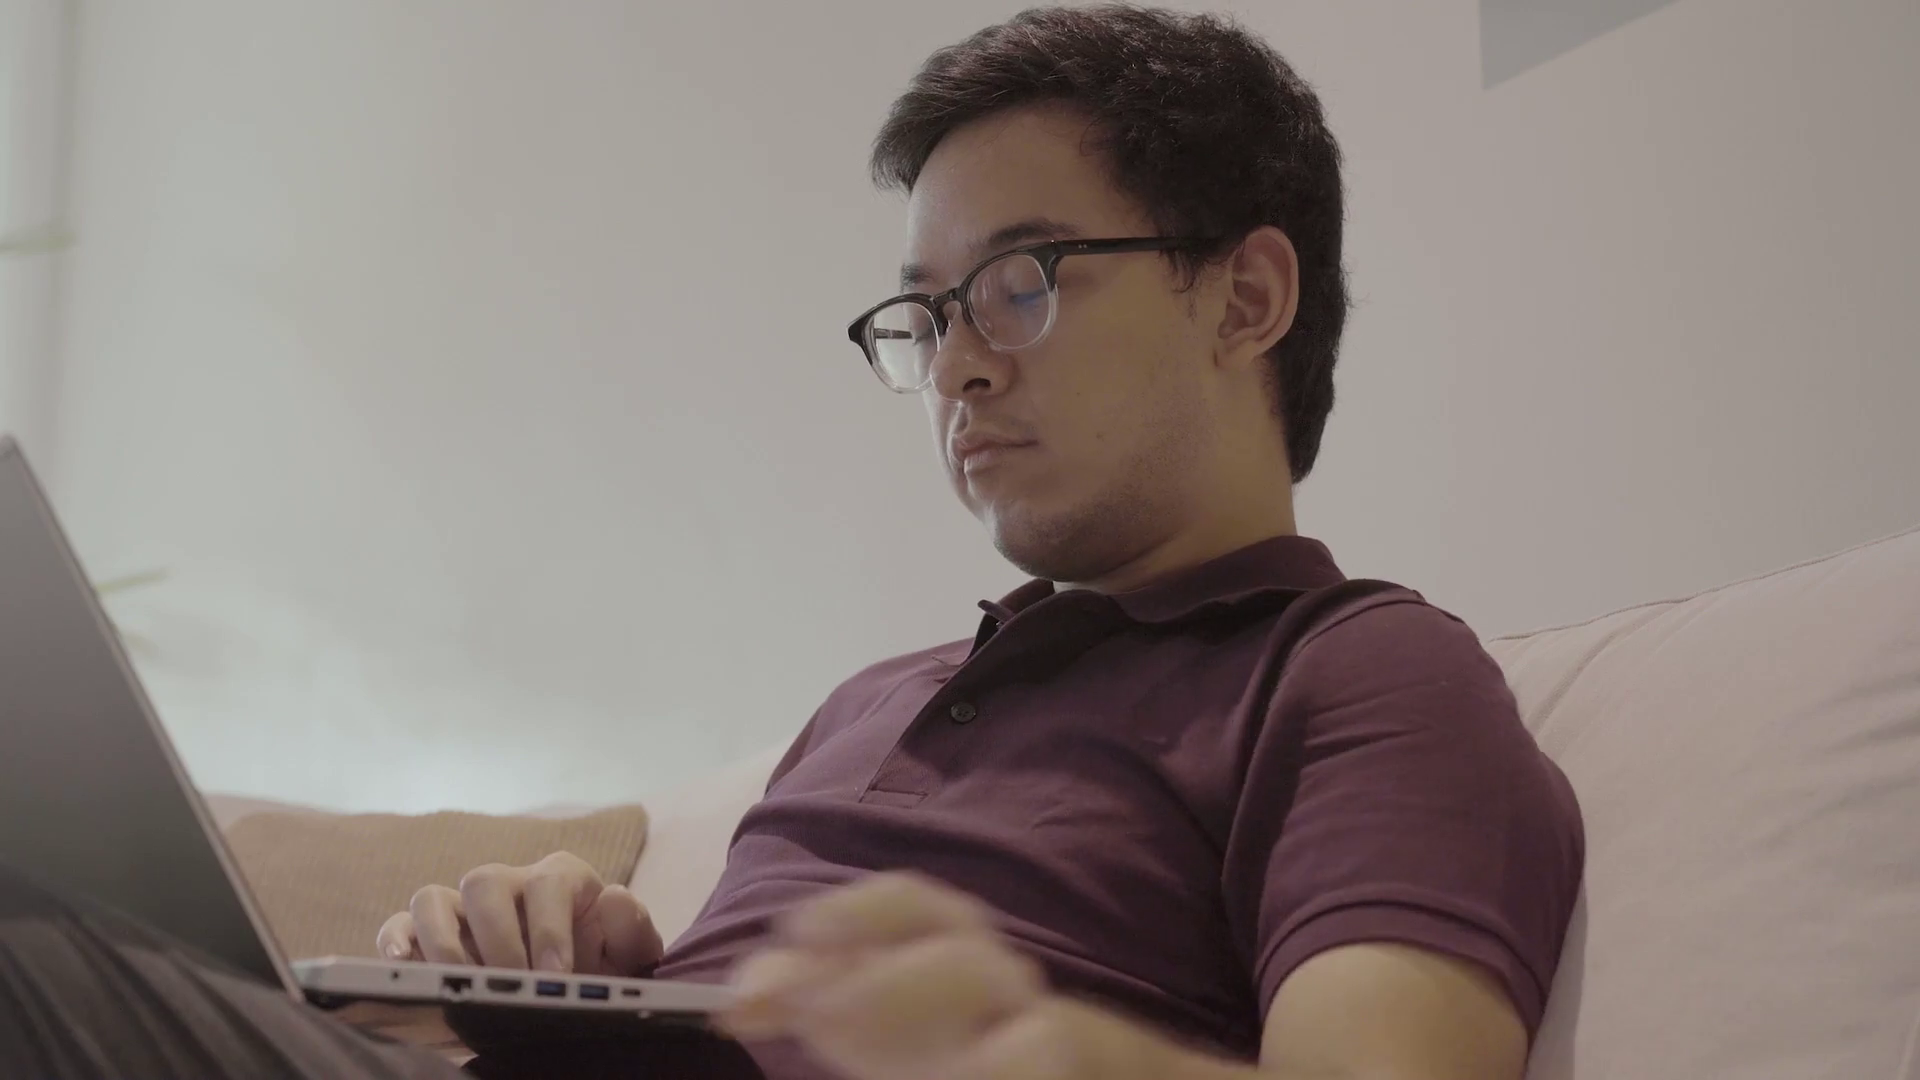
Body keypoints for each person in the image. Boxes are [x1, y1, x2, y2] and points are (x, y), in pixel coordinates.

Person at [0, 6, 1582, 1079]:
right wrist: (595, 961)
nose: (956, 362)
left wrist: (1038, 1051)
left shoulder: (1370, 676)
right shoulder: (871, 703)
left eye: (1023, 279)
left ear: (1246, 298)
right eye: (927, 311)